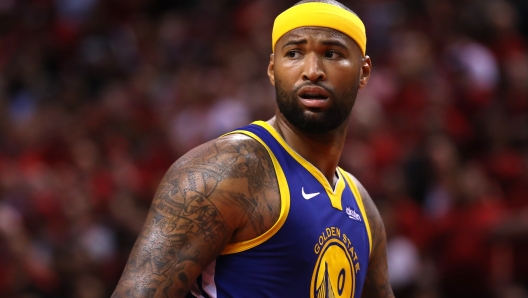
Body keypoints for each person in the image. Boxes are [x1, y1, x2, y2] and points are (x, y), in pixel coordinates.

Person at [112, 0, 394, 297]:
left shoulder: (362, 209)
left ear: (363, 72)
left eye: (331, 54)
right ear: (273, 69)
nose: (312, 71)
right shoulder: (229, 168)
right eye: (294, 53)